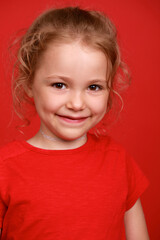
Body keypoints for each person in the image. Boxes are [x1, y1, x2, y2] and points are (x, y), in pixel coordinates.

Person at [0, 6, 149, 240]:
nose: (77, 103)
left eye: (94, 87)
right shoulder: (4, 169)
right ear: (29, 83)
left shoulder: (119, 162)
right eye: (59, 85)